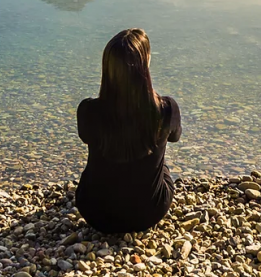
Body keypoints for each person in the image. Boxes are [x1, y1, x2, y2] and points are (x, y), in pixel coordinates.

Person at [75, 28, 182, 234]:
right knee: (162, 164)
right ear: (145, 65)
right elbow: (175, 137)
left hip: (95, 212)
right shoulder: (166, 109)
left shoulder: (88, 110)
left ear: (107, 68)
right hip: (149, 212)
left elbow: (85, 136)